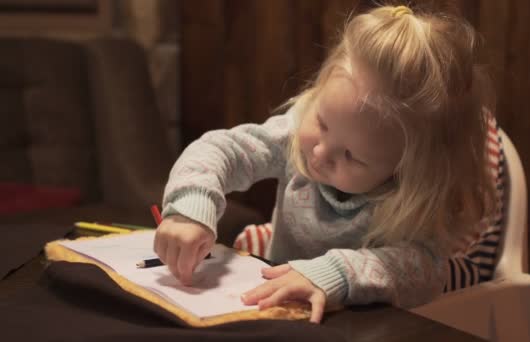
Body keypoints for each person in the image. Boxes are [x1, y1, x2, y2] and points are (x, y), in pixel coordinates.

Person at [154, 4, 503, 324]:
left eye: (352, 156)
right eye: (321, 122)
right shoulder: (295, 130)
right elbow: (222, 149)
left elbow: (423, 270)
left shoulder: (413, 196)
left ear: (405, 170)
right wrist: (190, 208)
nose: (319, 154)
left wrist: (334, 274)